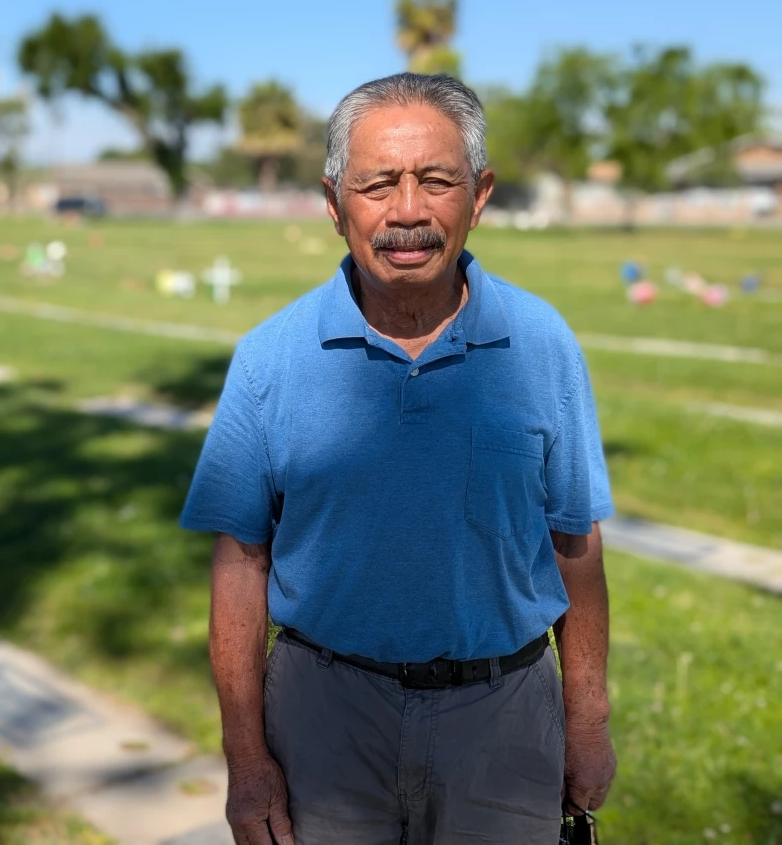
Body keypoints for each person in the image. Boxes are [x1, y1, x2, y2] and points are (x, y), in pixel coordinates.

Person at [181, 73, 616, 844]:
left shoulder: (543, 344)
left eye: (436, 181)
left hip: (505, 717)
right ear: (333, 203)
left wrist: (588, 720)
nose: (407, 211)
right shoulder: (268, 360)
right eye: (377, 184)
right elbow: (240, 564)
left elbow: (574, 542)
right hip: (324, 718)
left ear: (479, 196)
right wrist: (245, 760)